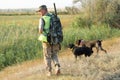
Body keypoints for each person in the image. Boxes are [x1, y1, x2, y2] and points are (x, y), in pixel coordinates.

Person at [36, 5, 61, 76]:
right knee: (54, 54)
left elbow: (40, 30)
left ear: (44, 10)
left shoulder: (42, 19)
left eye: (40, 11)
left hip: (46, 40)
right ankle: (57, 67)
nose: (39, 13)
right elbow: (60, 27)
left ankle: (49, 72)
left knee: (47, 56)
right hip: (56, 39)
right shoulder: (54, 16)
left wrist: (41, 31)